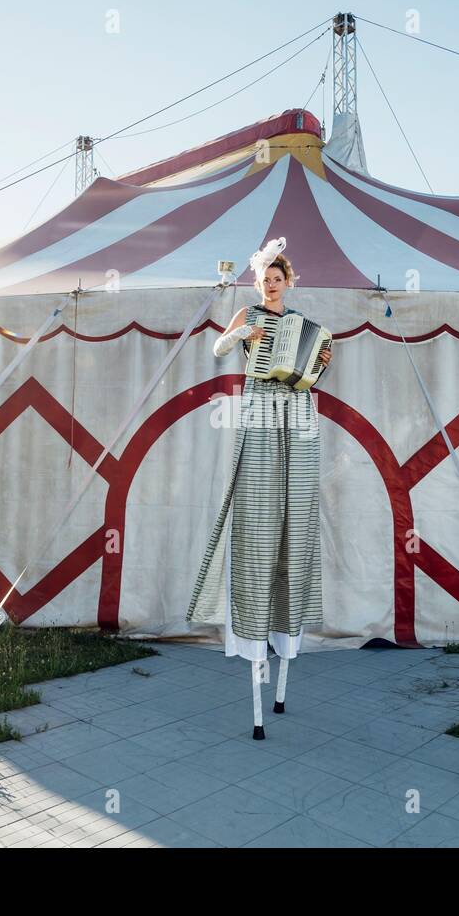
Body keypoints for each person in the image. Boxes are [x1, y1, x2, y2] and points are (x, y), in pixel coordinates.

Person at [185, 236, 332, 739]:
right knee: (260, 507)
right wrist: (242, 334)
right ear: (258, 282)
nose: (271, 285)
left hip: (296, 409)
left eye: (278, 279)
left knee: (296, 504)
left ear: (289, 282)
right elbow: (218, 347)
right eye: (265, 279)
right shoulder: (249, 313)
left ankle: (286, 657)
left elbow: (315, 364)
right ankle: (253, 644)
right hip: (260, 404)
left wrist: (316, 364)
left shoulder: (302, 325)